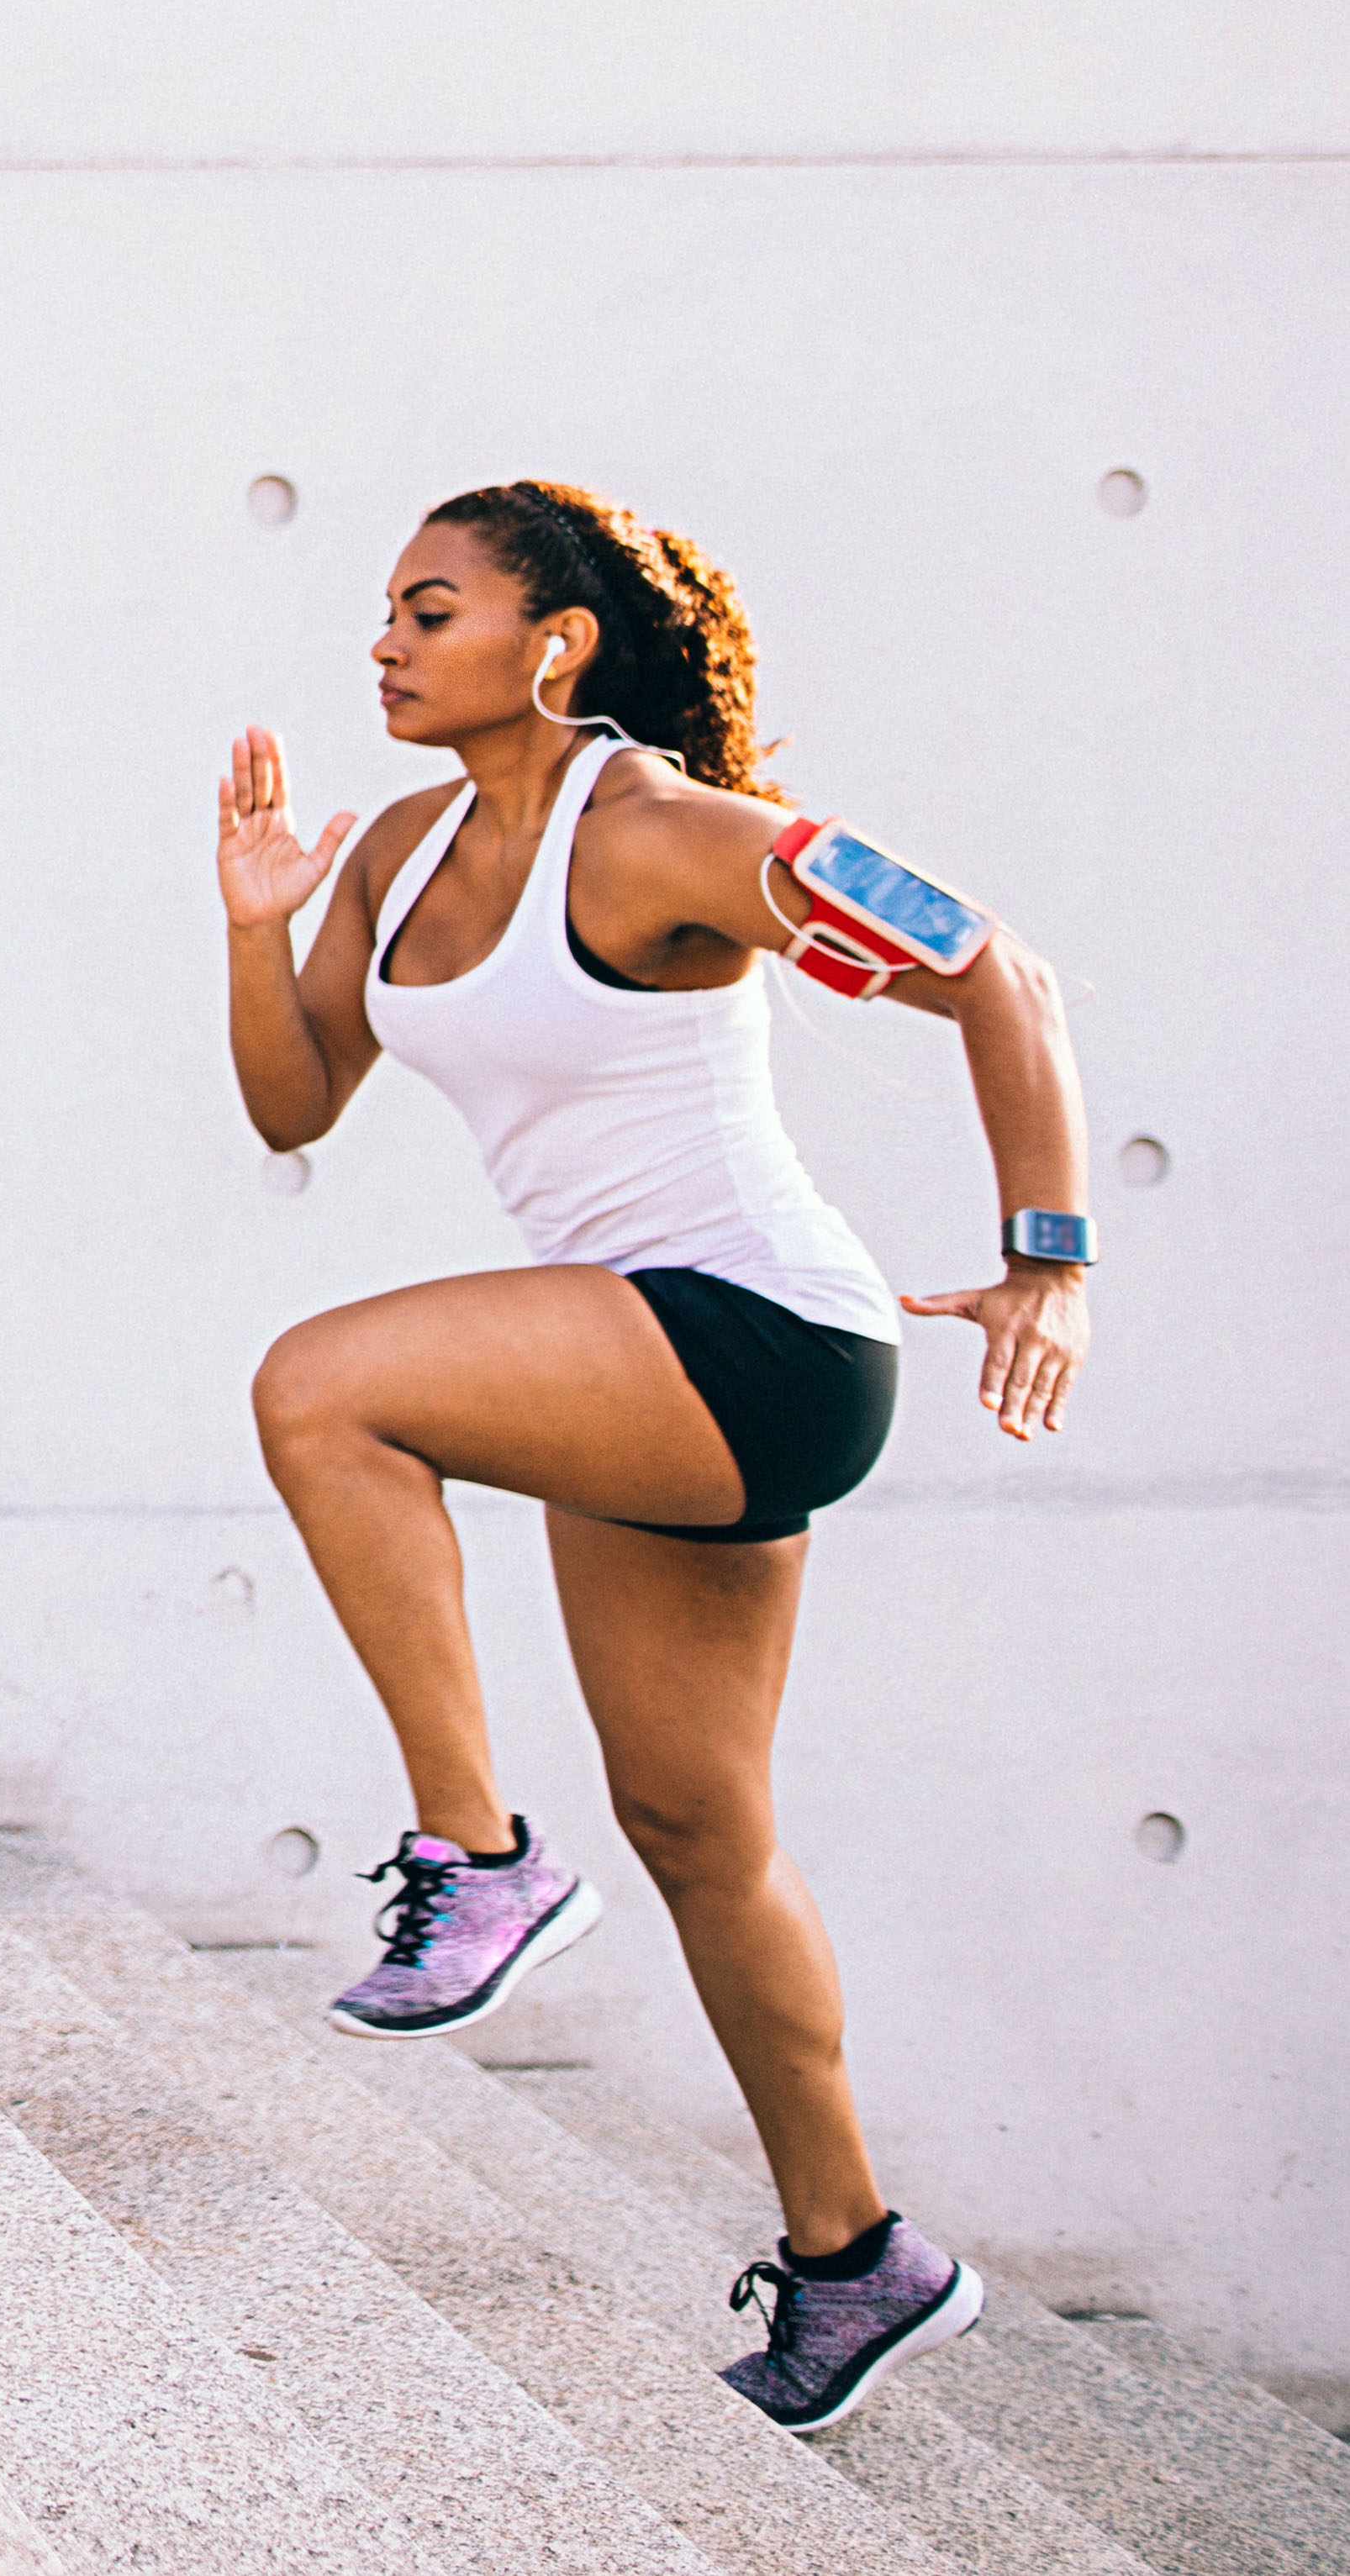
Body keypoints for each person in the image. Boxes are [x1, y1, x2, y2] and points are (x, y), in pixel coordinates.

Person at [212, 477, 1089, 2434]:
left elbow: (994, 973)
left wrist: (1051, 1265)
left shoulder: (665, 835)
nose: (383, 642)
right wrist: (262, 934)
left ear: (561, 641)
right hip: (626, 1365)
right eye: (381, 611)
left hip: (764, 1332)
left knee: (320, 1386)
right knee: (705, 1835)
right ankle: (858, 2258)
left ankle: (482, 1861)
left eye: (429, 611)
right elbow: (294, 1099)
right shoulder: (398, 860)